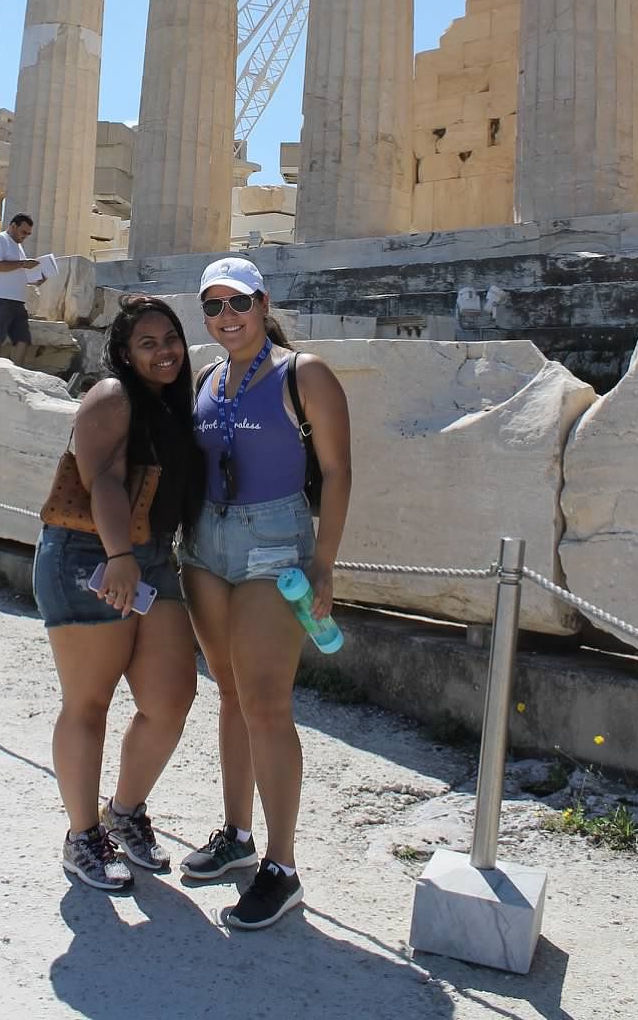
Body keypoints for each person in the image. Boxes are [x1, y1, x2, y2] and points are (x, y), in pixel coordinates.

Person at [179, 257, 351, 930]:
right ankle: (238, 836)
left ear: (264, 301)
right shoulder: (206, 375)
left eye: (238, 303)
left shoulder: (304, 373)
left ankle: (282, 867)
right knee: (228, 693)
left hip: (273, 542)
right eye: (213, 307)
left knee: (267, 703)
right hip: (204, 544)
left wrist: (327, 566)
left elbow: (337, 471)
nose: (227, 317)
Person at [34, 295, 205, 891]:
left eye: (171, 339)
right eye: (148, 343)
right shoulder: (112, 395)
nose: (165, 352)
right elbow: (100, 478)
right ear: (125, 354)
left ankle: (124, 811)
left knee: (171, 697)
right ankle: (82, 837)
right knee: (89, 702)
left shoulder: (173, 405)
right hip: (92, 553)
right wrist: (119, 558)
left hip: (150, 557)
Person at [0, 213, 44, 359]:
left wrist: (39, 278)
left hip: (17, 300)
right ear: (13, 226)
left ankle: (16, 375)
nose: (25, 236)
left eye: (28, 234)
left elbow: (18, 272)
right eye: (23, 232)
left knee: (23, 340)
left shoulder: (18, 247)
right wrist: (23, 263)